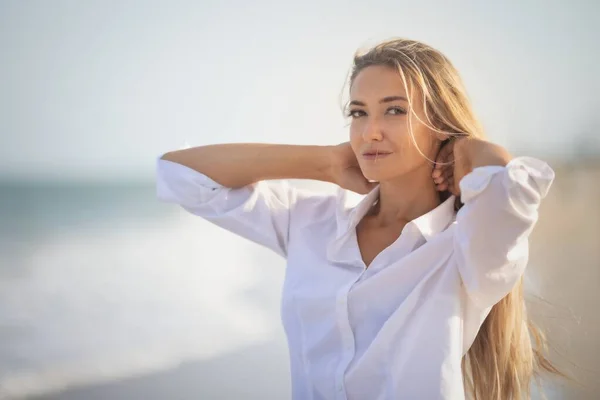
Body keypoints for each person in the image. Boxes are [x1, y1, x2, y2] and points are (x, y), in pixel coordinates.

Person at [156, 38, 561, 400]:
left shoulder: (468, 249)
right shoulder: (311, 223)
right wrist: (326, 162)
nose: (370, 132)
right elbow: (181, 176)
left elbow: (509, 190)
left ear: (441, 126)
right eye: (358, 113)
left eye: (395, 111)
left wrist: (471, 149)